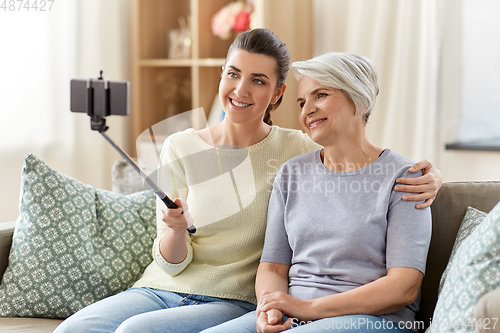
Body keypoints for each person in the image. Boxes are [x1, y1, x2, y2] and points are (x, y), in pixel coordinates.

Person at [55, 30, 439, 333]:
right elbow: (177, 262)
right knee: (78, 329)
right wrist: (173, 230)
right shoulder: (185, 147)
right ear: (221, 75)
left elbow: (363, 157)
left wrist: (433, 177)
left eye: (257, 80)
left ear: (277, 93)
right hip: (164, 286)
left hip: (234, 299)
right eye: (233, 74)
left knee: (137, 331)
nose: (240, 90)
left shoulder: (297, 148)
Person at [201, 52, 432, 333]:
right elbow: (273, 267)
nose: (306, 110)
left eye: (320, 95)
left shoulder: (405, 178)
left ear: (359, 100)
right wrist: (271, 308)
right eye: (301, 102)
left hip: (369, 320)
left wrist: (309, 309)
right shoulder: (291, 173)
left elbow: (403, 287)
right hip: (294, 314)